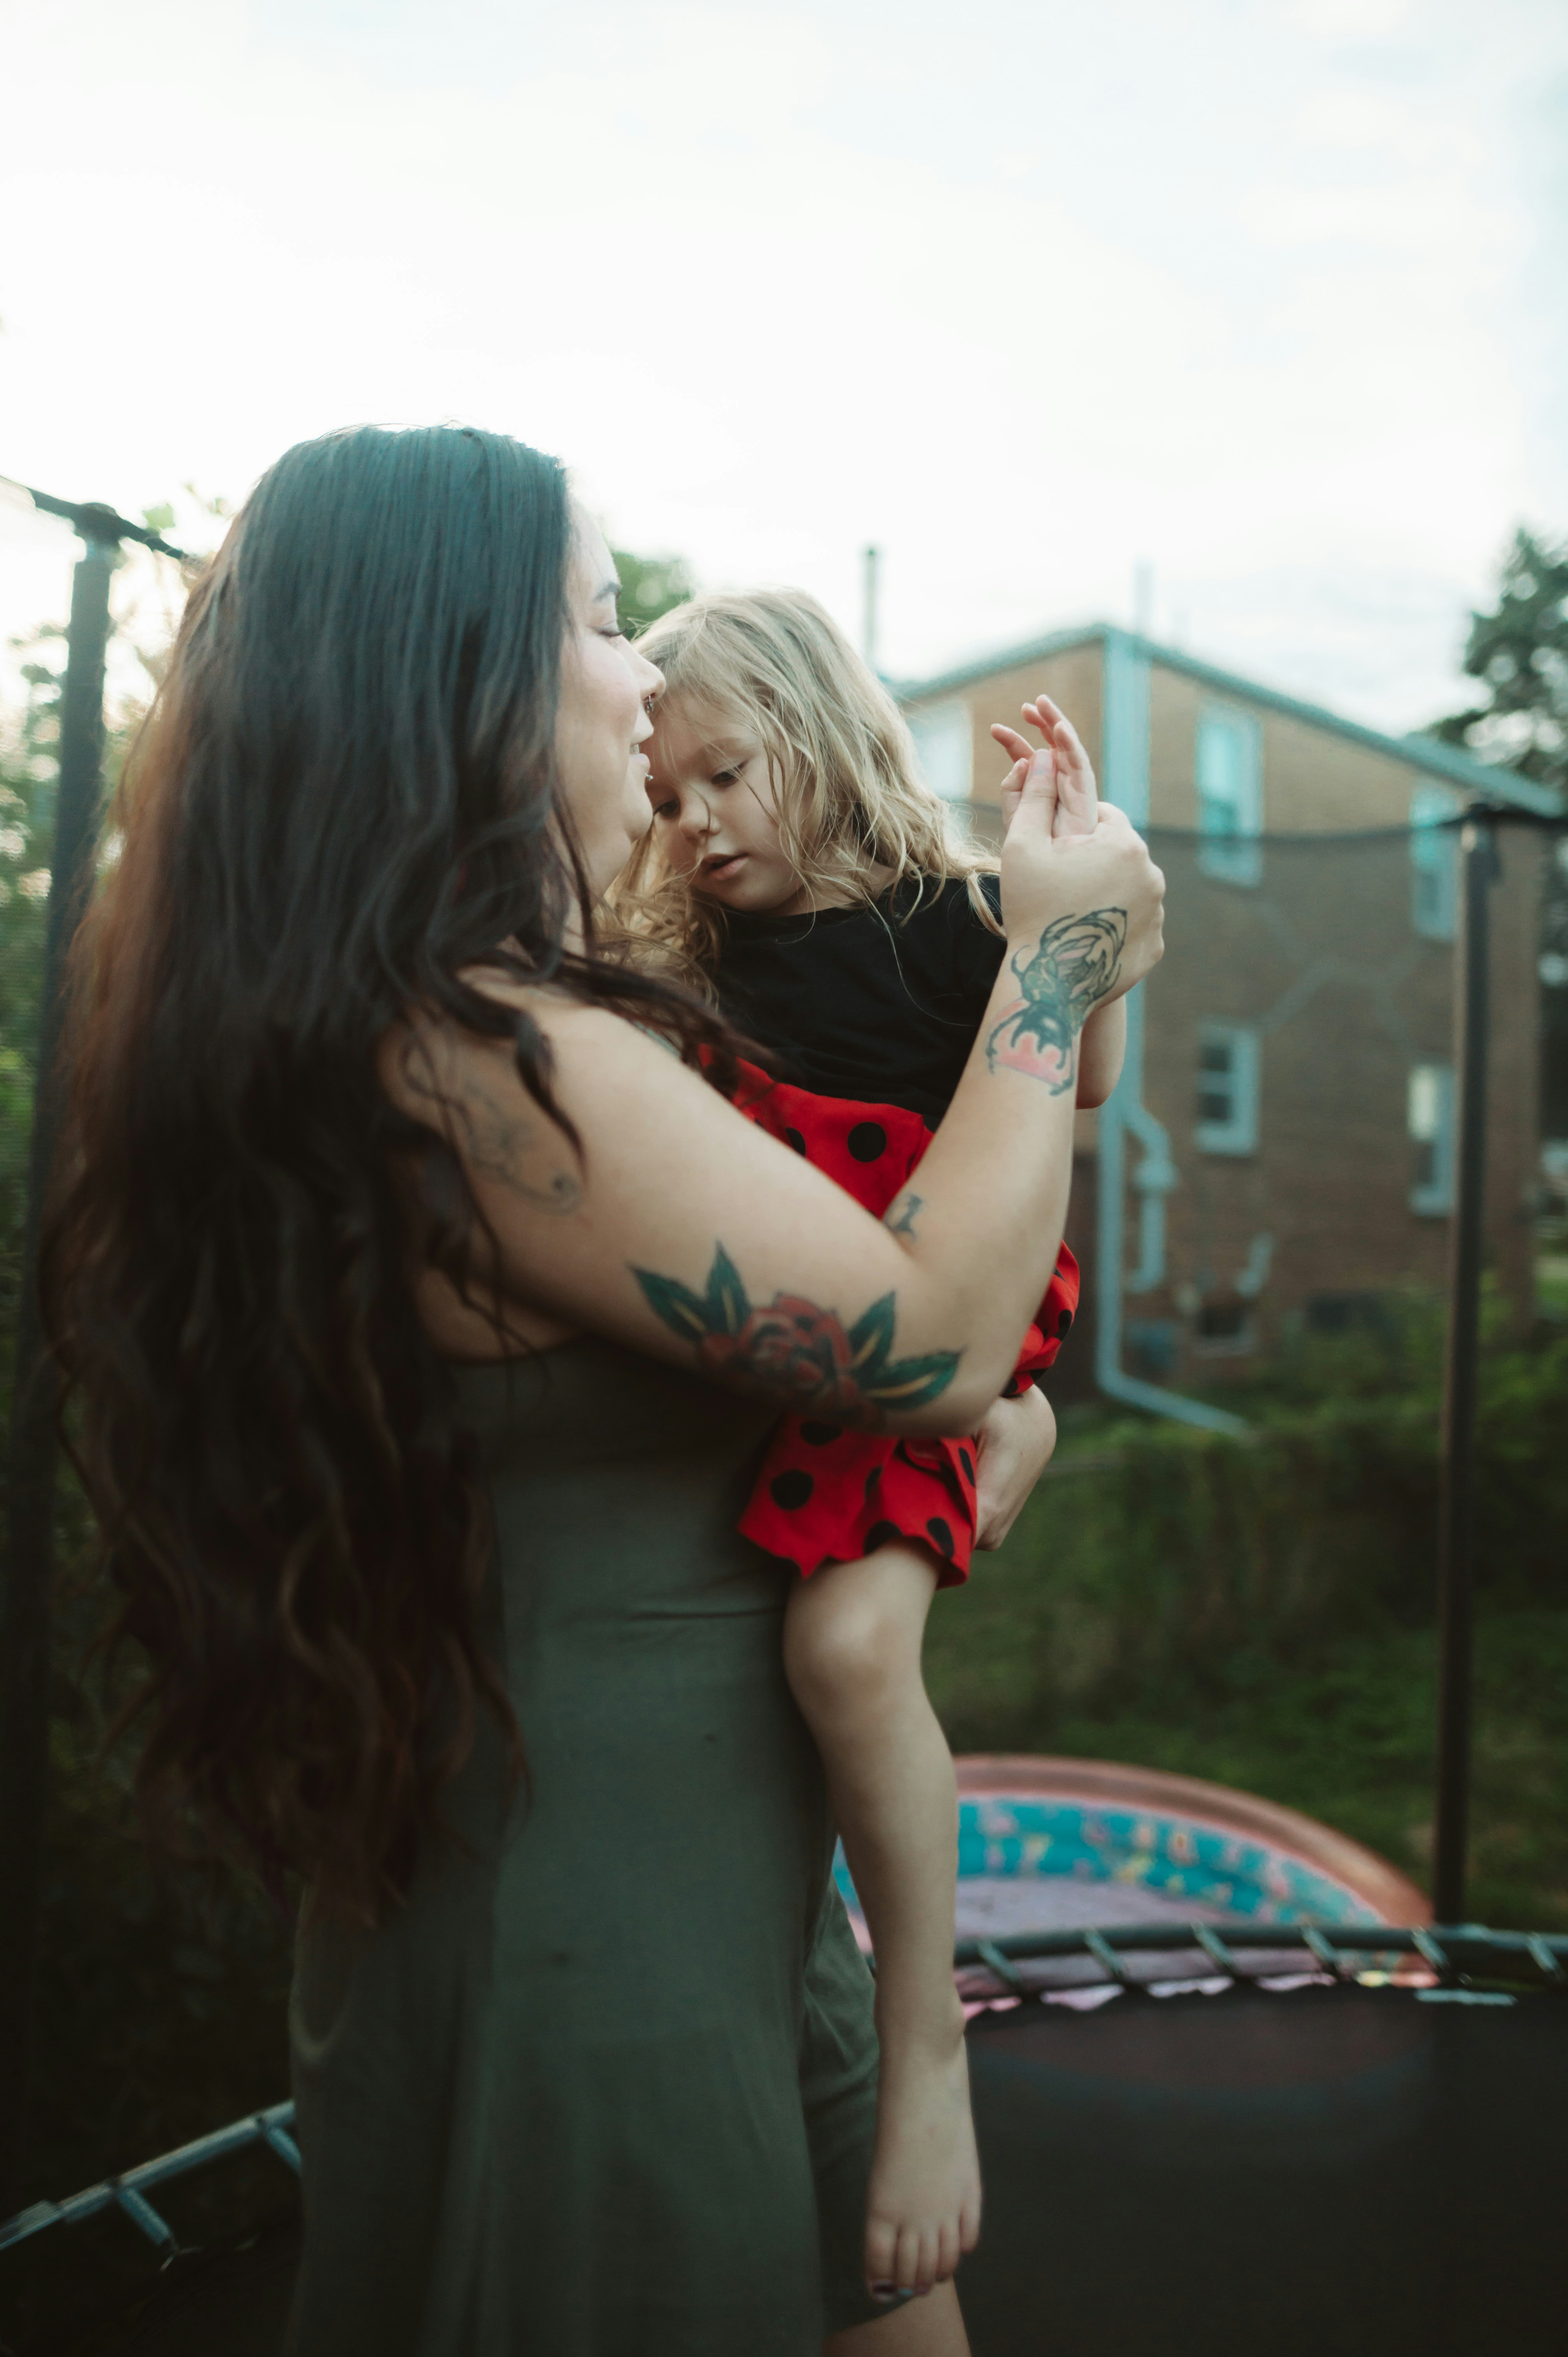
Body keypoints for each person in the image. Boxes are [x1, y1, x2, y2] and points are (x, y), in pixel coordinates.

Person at [42, 425, 1165, 2357]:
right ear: (462, 680)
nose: (644, 676)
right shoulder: (478, 1064)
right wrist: (1053, 959)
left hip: (729, 1919)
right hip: (597, 1969)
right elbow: (933, 1339)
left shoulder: (492, 1020)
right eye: (593, 620)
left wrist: (1003, 1439)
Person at [613, 588, 1124, 2299]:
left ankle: (927, 2055)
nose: (695, 827)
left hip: (933, 1329)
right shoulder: (690, 962)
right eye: (666, 799)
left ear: (822, 738)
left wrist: (1098, 896)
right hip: (824, 1349)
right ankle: (1007, 1443)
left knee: (844, 1647)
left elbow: (1092, 1075)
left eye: (727, 779)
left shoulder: (952, 917)